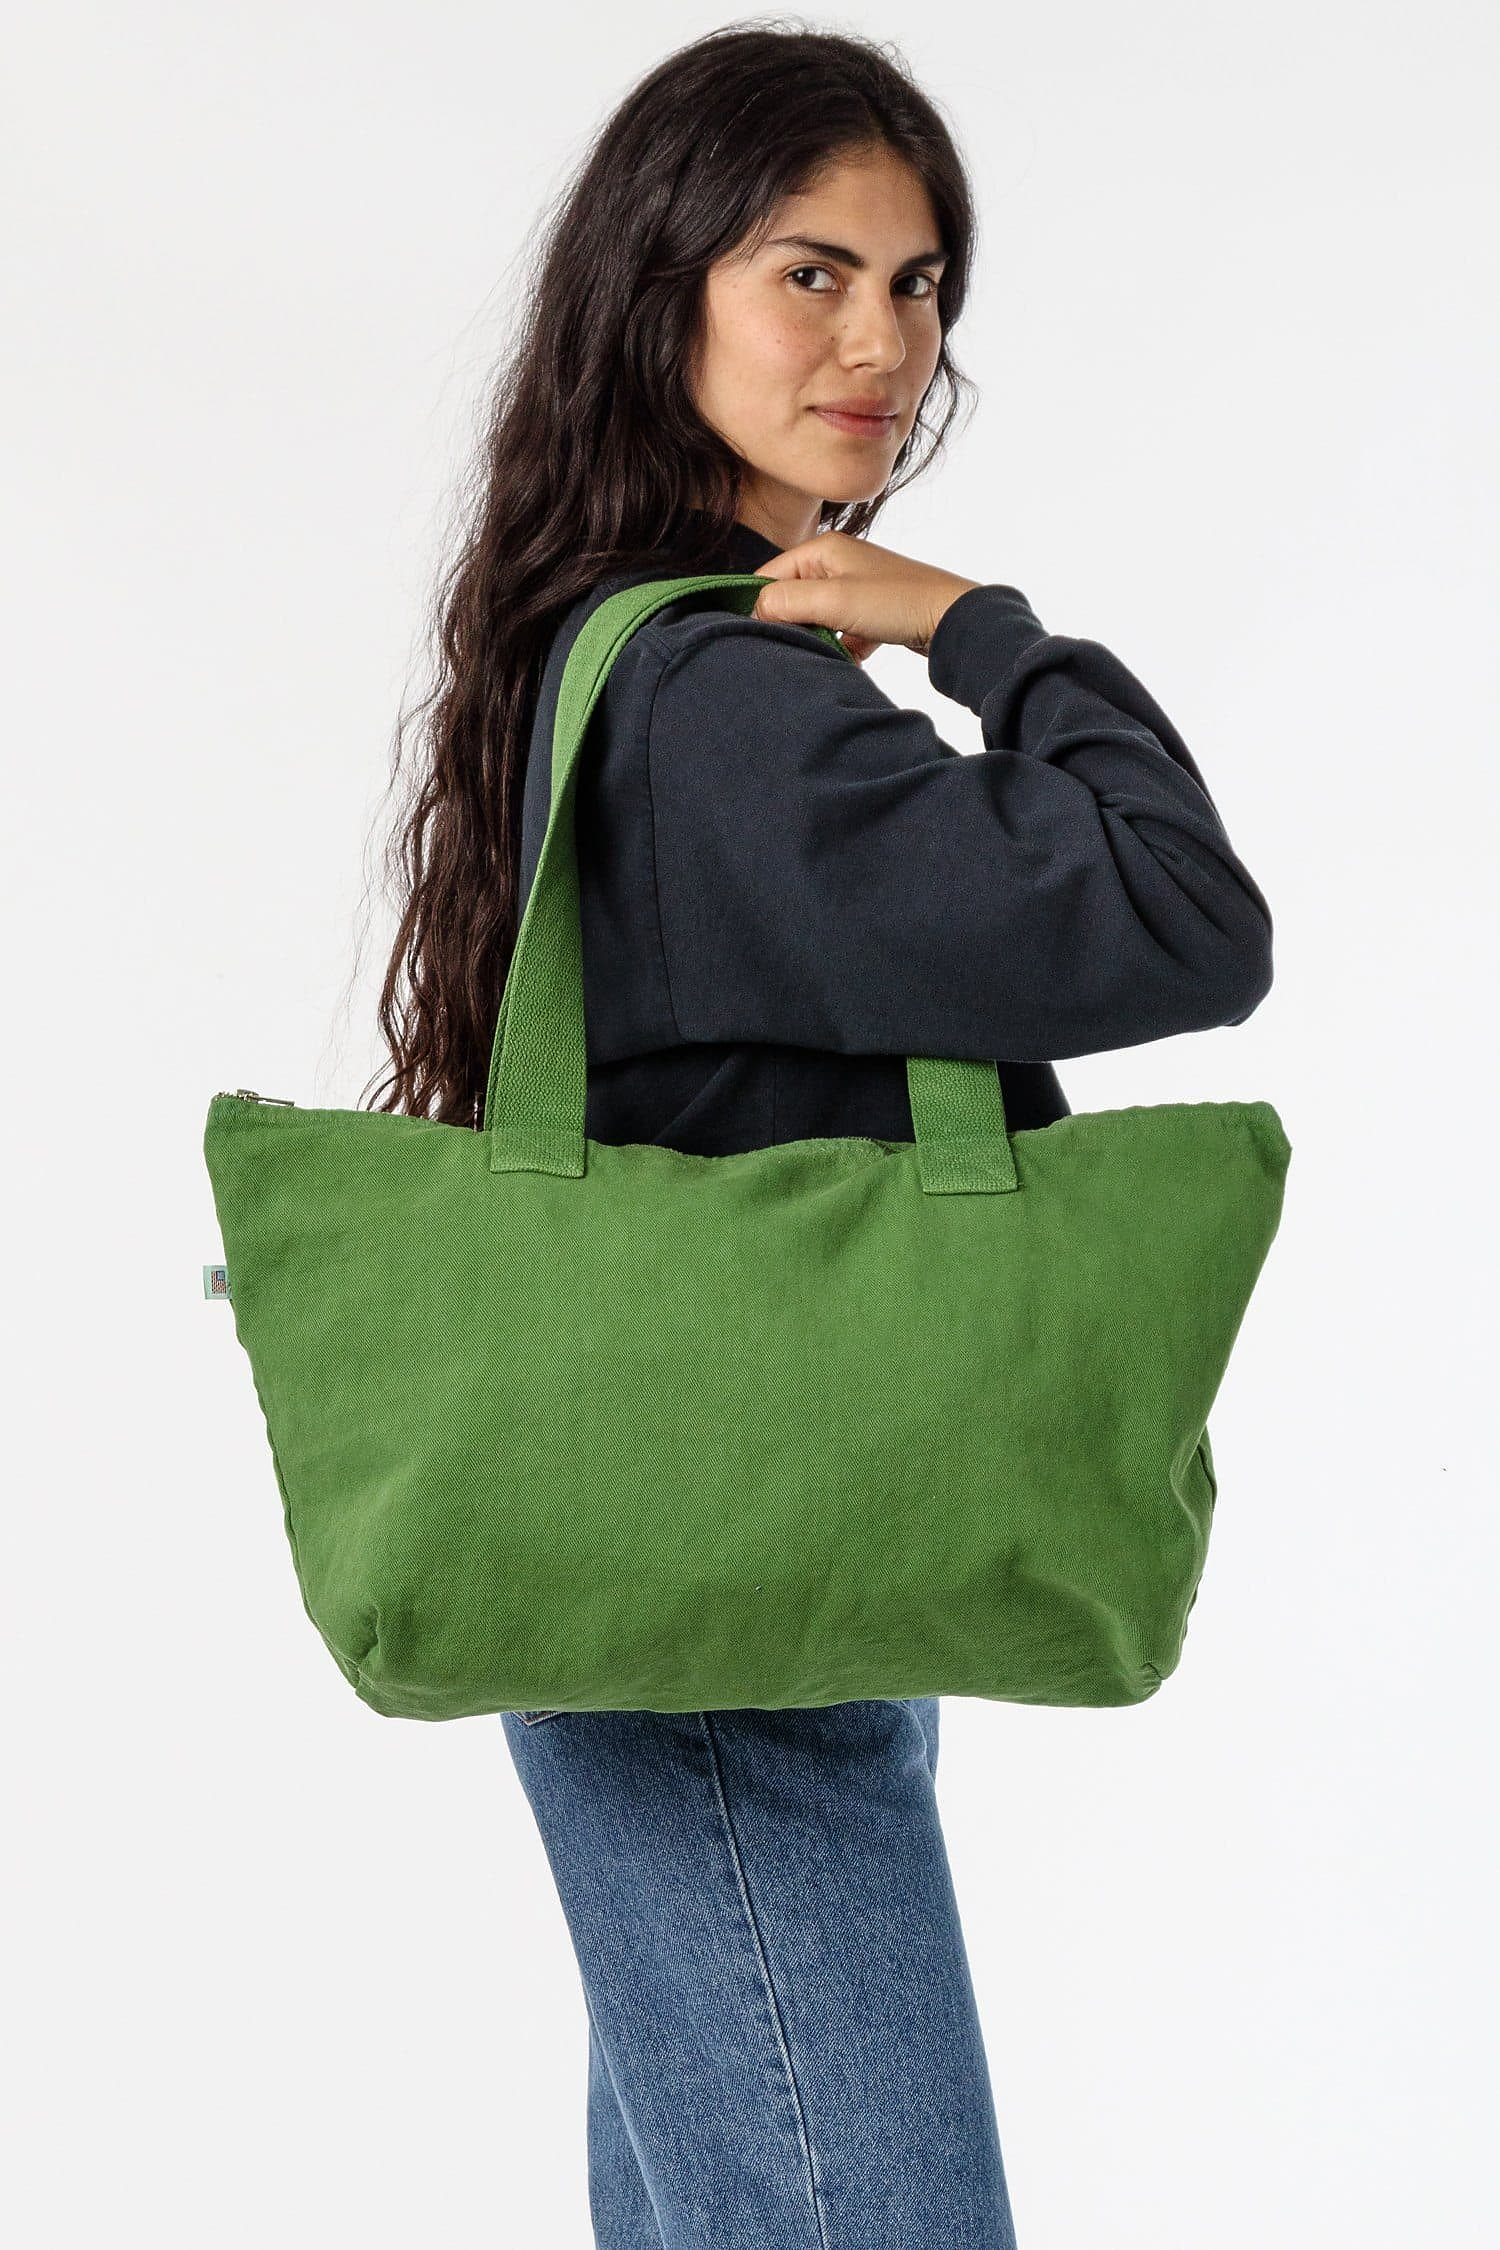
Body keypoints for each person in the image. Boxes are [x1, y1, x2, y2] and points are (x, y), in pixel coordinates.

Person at [367, 26, 1273, 2249]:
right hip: (733, 1639)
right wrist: (983, 631)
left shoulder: (626, 653)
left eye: (920, 282)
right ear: (657, 289)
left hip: (710, 1555)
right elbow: (1186, 916)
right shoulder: (717, 700)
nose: (882, 342)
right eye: (812, 273)